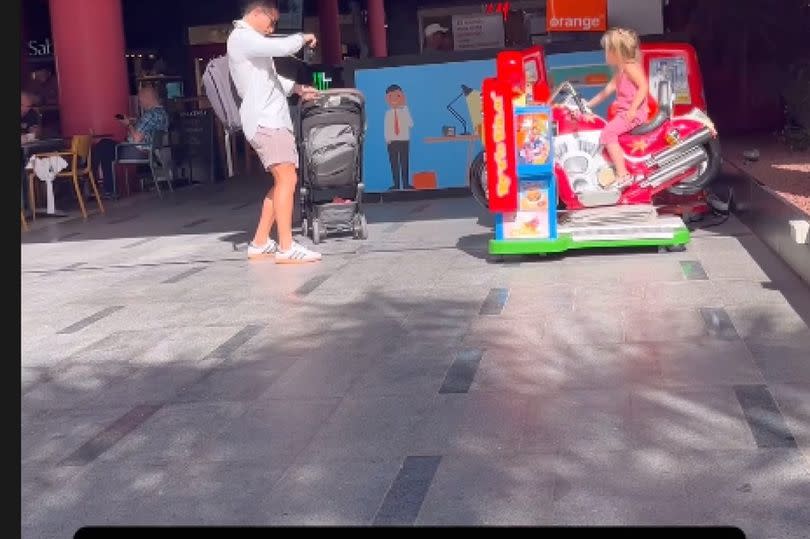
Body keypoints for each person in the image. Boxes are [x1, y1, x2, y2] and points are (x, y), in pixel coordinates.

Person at [228, 0, 322, 264]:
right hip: (267, 121)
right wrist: (302, 37)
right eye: (271, 23)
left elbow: (269, 77)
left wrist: (298, 90)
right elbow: (279, 47)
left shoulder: (247, 40)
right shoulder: (243, 37)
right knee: (287, 179)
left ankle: (260, 242)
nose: (271, 29)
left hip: (269, 119)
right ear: (257, 14)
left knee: (283, 180)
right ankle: (286, 246)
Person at [586, 27, 650, 188]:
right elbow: (605, 92)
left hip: (633, 114)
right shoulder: (620, 72)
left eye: (607, 51)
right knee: (607, 128)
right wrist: (586, 105)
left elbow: (643, 86)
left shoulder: (630, 67)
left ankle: (623, 174)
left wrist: (633, 109)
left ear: (617, 52)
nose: (605, 55)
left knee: (608, 133)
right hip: (625, 113)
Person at [92, 86, 170, 199]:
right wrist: (136, 122)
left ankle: (94, 181)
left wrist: (128, 124)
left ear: (148, 98)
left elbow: (137, 138)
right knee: (105, 147)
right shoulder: (163, 113)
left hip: (138, 151)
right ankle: (106, 188)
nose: (140, 103)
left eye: (140, 100)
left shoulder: (149, 115)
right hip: (151, 151)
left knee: (104, 146)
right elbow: (149, 131)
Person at [383, 84, 414, 190]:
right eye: (391, 97)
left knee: (404, 163)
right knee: (394, 164)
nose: (394, 99)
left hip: (404, 141)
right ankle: (396, 185)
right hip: (392, 142)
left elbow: (410, 124)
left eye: (398, 96)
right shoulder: (388, 113)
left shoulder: (405, 110)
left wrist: (405, 107)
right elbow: (387, 127)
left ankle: (406, 184)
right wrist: (387, 140)